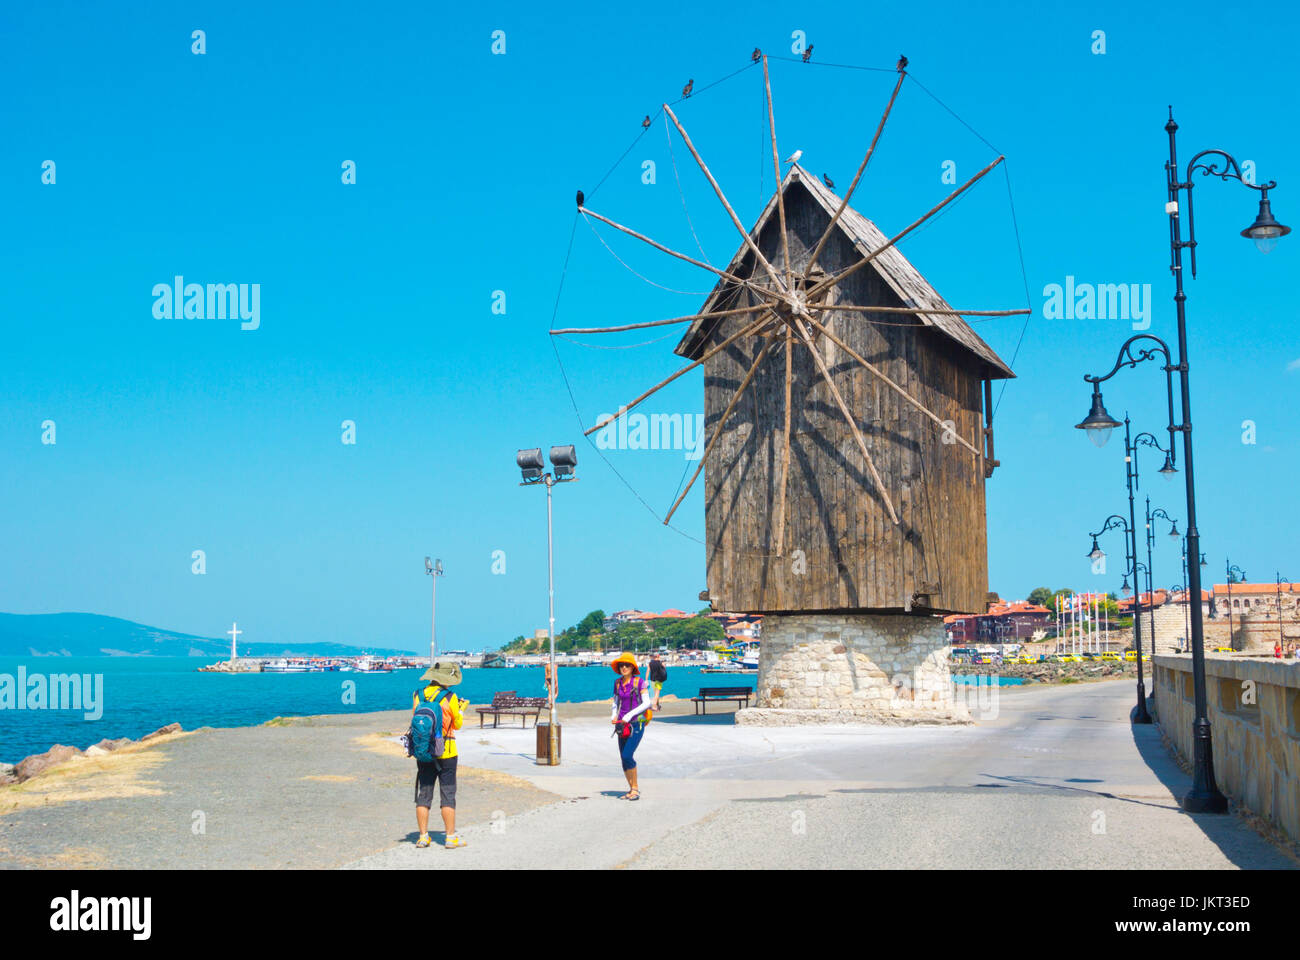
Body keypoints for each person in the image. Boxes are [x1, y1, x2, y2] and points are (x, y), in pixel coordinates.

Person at [411, 661, 468, 849]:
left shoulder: (418, 695)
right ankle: (450, 838)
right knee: (448, 794)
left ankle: (422, 836)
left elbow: (416, 721)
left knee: (424, 793)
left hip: (424, 750)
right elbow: (457, 724)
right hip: (447, 751)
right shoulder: (450, 697)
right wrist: (460, 709)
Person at [610, 652, 652, 800]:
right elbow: (615, 702)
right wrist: (614, 714)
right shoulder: (617, 683)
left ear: (632, 667)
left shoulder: (639, 682)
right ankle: (631, 789)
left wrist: (629, 715)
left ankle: (635, 789)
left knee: (628, 755)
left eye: (627, 665)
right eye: (621, 665)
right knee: (623, 758)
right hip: (622, 725)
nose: (624, 667)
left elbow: (647, 703)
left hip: (636, 724)